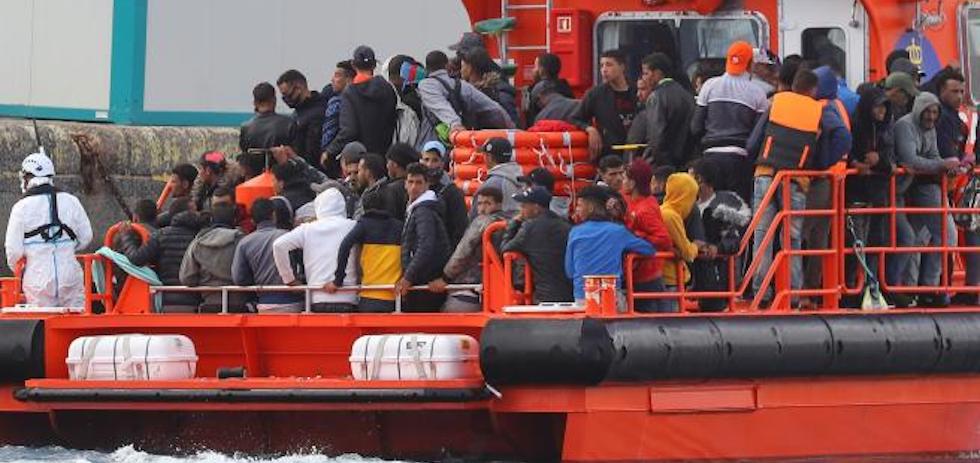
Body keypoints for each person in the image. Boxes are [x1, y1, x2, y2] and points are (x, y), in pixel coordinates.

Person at [744, 69, 825, 305]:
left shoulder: (775, 102)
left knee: (762, 235)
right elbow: (821, 151)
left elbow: (752, 143)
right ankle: (793, 295)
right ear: (812, 90)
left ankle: (761, 293)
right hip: (795, 179)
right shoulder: (818, 111)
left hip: (765, 174)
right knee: (792, 237)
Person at [892, 92, 961, 307]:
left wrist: (948, 164)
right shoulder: (905, 126)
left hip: (914, 187)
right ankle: (923, 287)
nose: (931, 117)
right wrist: (942, 165)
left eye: (934, 112)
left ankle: (918, 287)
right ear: (918, 109)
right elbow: (909, 159)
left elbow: (931, 156)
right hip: (904, 189)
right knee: (945, 236)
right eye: (928, 111)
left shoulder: (930, 128)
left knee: (915, 238)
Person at [5, 151, 93, 308]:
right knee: (76, 316)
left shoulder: (21, 207)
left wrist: (20, 268)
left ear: (27, 177)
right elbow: (86, 237)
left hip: (38, 276)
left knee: (42, 323)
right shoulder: (72, 201)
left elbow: (13, 250)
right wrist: (68, 246)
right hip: (70, 274)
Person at [690, 41, 769, 204]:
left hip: (710, 157)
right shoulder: (758, 93)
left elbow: (695, 127)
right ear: (750, 64)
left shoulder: (709, 86)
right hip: (739, 160)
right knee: (738, 210)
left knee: (710, 207)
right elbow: (758, 135)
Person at [800, 66, 853, 308]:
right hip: (835, 179)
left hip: (823, 180)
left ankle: (808, 290)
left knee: (809, 234)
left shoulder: (824, 107)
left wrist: (821, 163)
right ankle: (817, 290)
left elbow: (842, 137)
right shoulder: (838, 104)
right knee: (820, 237)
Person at [846, 86, 899, 307]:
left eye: (885, 107)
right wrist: (856, 164)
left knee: (876, 241)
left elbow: (892, 162)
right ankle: (852, 290)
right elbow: (847, 154)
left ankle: (871, 285)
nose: (882, 111)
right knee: (857, 242)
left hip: (878, 194)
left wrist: (880, 161)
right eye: (878, 106)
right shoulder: (856, 126)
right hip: (857, 191)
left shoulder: (887, 130)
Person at [565, 185, 654, 308]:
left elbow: (569, 271)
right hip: (611, 298)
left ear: (590, 208)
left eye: (579, 206)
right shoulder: (618, 231)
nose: (577, 210)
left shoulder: (575, 232)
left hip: (583, 298)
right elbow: (649, 249)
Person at [273, 188, 358, 312]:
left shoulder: (307, 230)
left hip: (317, 297)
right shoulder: (353, 226)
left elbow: (278, 245)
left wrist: (289, 279)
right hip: (349, 298)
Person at [429, 187, 510, 312]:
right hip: (502, 287)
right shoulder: (511, 223)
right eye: (479, 203)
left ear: (499, 204)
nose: (482, 208)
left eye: (488, 203)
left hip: (471, 286)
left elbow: (463, 250)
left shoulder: (481, 222)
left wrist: (446, 277)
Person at [323, 46, 398, 175]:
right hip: (386, 159)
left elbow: (349, 131)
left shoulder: (350, 93)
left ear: (353, 65)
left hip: (361, 163)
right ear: (374, 65)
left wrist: (329, 151)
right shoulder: (388, 89)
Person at [417, 50, 514, 148]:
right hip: (462, 144)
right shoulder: (463, 85)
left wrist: (455, 124)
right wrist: (513, 131)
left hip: (432, 145)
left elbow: (440, 106)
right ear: (446, 66)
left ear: (427, 68)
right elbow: (494, 108)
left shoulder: (426, 85)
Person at [691, 158, 752, 311]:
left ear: (700, 180)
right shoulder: (689, 206)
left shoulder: (723, 206)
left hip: (716, 276)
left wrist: (716, 249)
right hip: (693, 275)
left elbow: (733, 241)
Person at [327, 190, 403, 313]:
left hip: (370, 295)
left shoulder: (364, 225)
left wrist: (338, 280)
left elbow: (345, 245)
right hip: (396, 297)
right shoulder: (400, 226)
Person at [501, 186, 574, 303]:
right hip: (570, 293)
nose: (521, 210)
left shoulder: (530, 228)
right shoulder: (565, 225)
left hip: (544, 297)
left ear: (536, 208)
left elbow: (505, 248)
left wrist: (514, 224)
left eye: (524, 206)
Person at [127, 198, 201, 312]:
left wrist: (126, 237)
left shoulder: (160, 235)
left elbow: (136, 258)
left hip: (166, 300)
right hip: (197, 301)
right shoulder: (201, 237)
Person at [396, 163, 451, 312]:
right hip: (425, 279)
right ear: (405, 184)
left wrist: (408, 277)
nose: (414, 187)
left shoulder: (423, 211)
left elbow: (426, 246)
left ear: (427, 184)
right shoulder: (421, 208)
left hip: (423, 283)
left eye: (419, 182)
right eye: (411, 182)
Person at [232, 199, 301, 313]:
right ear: (274, 215)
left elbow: (239, 278)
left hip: (264, 303)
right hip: (293, 301)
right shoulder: (288, 237)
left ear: (253, 220)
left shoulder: (245, 243)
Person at [622, 160, 674, 312]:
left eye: (625, 178)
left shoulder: (645, 210)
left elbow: (664, 239)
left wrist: (637, 237)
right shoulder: (634, 202)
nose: (622, 182)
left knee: (650, 315)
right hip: (638, 273)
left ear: (633, 183)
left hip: (646, 276)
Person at [179, 203, 247, 313]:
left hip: (209, 303)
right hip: (240, 304)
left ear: (211, 220)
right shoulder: (242, 240)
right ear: (234, 220)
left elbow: (186, 278)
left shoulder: (198, 242)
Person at [573, 49, 638, 160]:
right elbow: (575, 118)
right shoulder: (595, 94)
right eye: (602, 65)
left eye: (609, 65)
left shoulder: (637, 91)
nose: (604, 70)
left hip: (636, 152)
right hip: (609, 155)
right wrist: (589, 129)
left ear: (622, 67)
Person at [636, 53, 696, 169]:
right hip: (685, 162)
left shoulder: (656, 97)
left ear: (657, 73)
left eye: (646, 73)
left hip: (663, 166)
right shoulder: (687, 96)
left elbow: (656, 137)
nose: (644, 78)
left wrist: (663, 164)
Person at [658, 173, 705, 310]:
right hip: (670, 279)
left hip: (666, 277)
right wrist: (696, 245)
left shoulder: (663, 210)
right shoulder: (671, 216)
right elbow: (688, 253)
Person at [421, 141, 469, 249]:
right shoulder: (417, 188)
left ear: (443, 163)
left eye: (435, 160)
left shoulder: (452, 192)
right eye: (426, 160)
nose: (429, 165)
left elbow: (459, 229)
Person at [277, 69, 328, 169]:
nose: (286, 99)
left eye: (288, 95)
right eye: (283, 96)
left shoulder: (320, 111)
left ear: (299, 88)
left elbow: (313, 152)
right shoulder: (296, 114)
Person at [461, 47, 519, 127]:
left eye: (463, 66)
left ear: (470, 68)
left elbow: (514, 129)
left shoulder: (500, 95)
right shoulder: (500, 92)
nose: (461, 70)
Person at [320, 60, 356, 175]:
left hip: (339, 157)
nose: (332, 80)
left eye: (337, 76)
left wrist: (329, 151)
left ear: (349, 79)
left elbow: (347, 131)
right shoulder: (333, 99)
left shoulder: (342, 102)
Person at [240, 82, 296, 156]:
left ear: (255, 103)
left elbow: (244, 155)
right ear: (274, 100)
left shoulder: (246, 128)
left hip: (254, 167)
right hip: (281, 167)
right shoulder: (289, 124)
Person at [474, 137, 523, 216]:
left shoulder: (491, 184)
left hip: (495, 226)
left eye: (485, 155)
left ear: (489, 157)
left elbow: (477, 216)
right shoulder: (521, 178)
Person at [526, 52, 575, 123]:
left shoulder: (538, 92)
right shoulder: (566, 90)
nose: (533, 70)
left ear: (541, 70)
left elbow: (531, 120)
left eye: (535, 67)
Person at [384, 143, 418, 221]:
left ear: (394, 164)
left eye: (388, 162)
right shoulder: (421, 186)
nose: (387, 166)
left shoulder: (391, 190)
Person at [354, 153, 388, 219]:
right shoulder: (370, 191)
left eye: (359, 170)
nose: (357, 175)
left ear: (368, 172)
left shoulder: (378, 194)